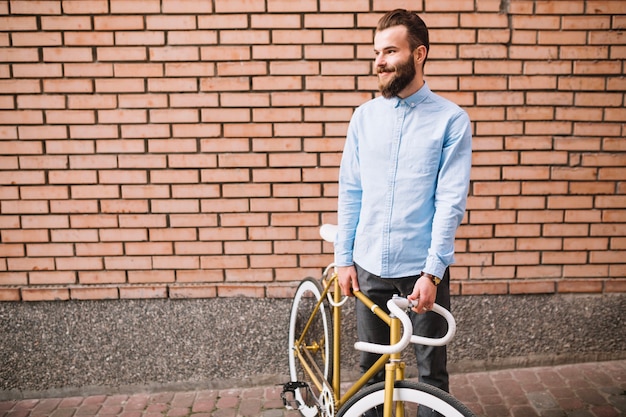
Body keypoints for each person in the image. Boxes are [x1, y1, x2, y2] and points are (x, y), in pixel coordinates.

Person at [334, 9, 472, 417]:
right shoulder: (364, 117)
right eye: (377, 52)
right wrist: (344, 259)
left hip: (421, 271)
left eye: (390, 51)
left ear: (419, 54)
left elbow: (450, 202)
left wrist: (432, 272)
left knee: (432, 376)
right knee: (372, 372)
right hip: (369, 266)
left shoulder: (451, 121)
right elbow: (351, 190)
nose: (379, 61)